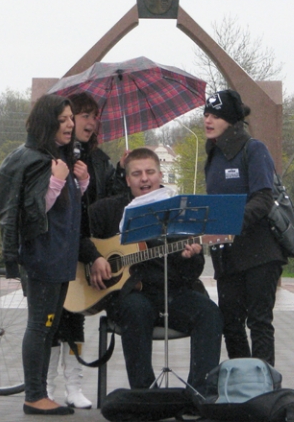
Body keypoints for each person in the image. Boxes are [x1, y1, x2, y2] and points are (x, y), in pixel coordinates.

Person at [87, 147, 223, 394]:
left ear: (160, 175)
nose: (144, 178)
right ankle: (145, 395)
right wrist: (95, 258)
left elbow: (193, 272)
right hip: (130, 294)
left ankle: (199, 392)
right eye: (137, 173)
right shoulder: (104, 211)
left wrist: (189, 257)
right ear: (127, 180)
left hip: (174, 291)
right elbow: (79, 241)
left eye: (150, 172)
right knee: (135, 311)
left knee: (210, 314)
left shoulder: (181, 211)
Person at [0, 93, 90, 416]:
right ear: (46, 123)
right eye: (62, 119)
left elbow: (66, 209)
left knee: (49, 326)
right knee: (39, 325)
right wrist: (56, 180)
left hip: (59, 256)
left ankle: (38, 393)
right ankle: (34, 394)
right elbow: (34, 213)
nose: (69, 124)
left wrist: (81, 181)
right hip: (43, 257)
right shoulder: (38, 160)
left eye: (70, 118)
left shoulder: (56, 158)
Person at [46, 92, 127, 409]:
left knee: (76, 318)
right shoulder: (56, 156)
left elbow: (111, 203)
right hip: (62, 249)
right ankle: (48, 387)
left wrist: (120, 171)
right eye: (83, 115)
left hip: (89, 248)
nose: (90, 122)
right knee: (53, 321)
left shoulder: (100, 159)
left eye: (95, 116)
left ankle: (74, 387)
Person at [203, 89, 287, 366]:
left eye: (215, 115)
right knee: (230, 323)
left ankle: (262, 388)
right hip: (226, 256)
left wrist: (231, 223)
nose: (208, 119)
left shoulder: (254, 149)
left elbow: (263, 199)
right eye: (206, 114)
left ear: (230, 119)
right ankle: (243, 381)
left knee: (259, 322)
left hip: (259, 253)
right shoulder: (212, 155)